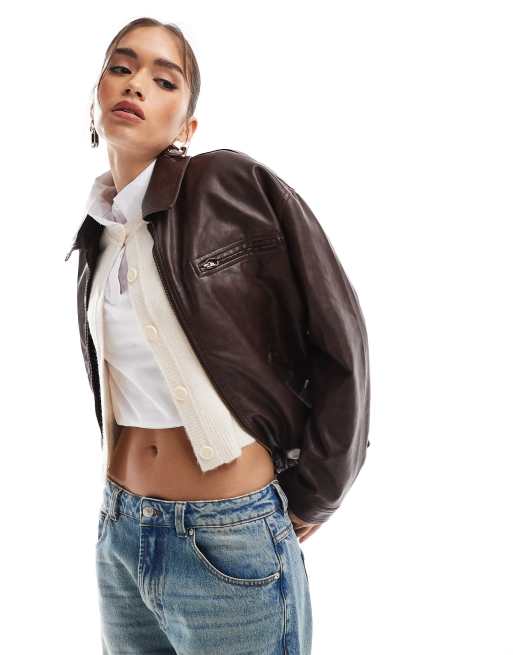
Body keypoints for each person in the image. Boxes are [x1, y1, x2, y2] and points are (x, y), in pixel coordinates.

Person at [65, 16, 370, 655]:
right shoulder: (97, 236)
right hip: (121, 531)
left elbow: (339, 334)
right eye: (121, 67)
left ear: (188, 127)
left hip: (228, 536)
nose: (136, 84)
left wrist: (317, 492)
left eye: (164, 79)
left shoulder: (229, 185)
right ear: (96, 98)